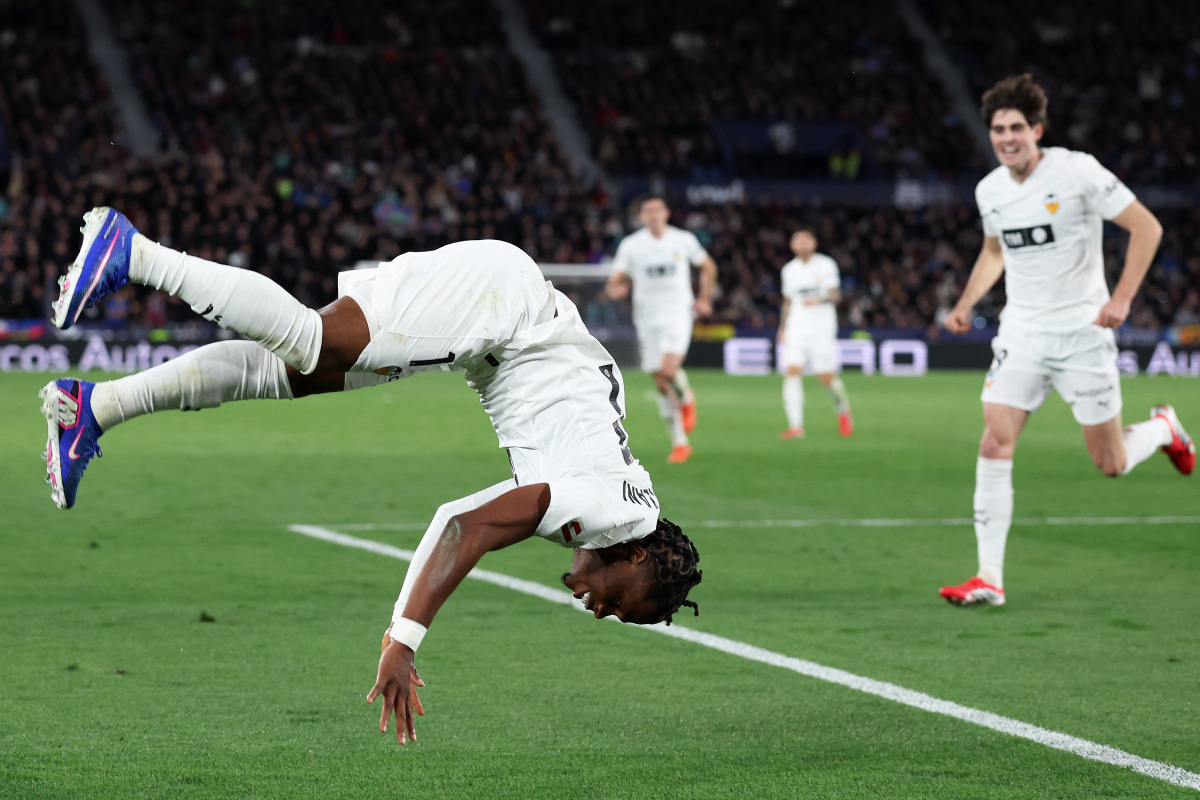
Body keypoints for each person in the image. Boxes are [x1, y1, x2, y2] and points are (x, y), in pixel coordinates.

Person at [41, 207, 703, 742]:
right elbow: (462, 525)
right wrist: (403, 640)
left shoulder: (625, 505)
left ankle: (93, 408)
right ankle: (133, 251)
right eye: (622, 603)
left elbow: (483, 511)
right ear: (637, 557)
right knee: (312, 341)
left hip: (495, 327)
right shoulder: (607, 513)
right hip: (502, 309)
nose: (602, 610)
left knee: (288, 373)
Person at [939, 74, 1194, 607]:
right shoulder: (990, 190)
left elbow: (1146, 228)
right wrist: (965, 303)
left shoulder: (1077, 171)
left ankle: (1163, 428)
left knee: (1111, 463)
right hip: (1022, 333)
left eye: (1016, 128)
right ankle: (989, 578)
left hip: (1083, 334)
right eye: (998, 130)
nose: (1007, 138)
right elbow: (994, 251)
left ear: (1037, 130)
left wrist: (1122, 298)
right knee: (994, 442)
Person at [605, 194, 718, 464]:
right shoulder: (632, 245)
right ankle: (680, 443)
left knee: (668, 370)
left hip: (678, 314)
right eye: (648, 211)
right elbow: (614, 280)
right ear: (641, 217)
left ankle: (686, 397)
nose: (653, 215)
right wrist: (615, 289)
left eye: (658, 210)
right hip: (646, 318)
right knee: (660, 381)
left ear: (666, 213)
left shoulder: (683, 240)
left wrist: (704, 299)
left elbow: (709, 267)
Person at [776, 228, 853, 439]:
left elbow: (836, 296)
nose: (801, 243)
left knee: (826, 377)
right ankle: (795, 426)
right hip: (796, 327)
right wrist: (783, 328)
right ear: (792, 245)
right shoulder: (788, 270)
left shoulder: (826, 265)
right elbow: (787, 301)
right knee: (792, 372)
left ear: (814, 243)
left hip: (821, 327)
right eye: (797, 240)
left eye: (806, 239)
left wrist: (820, 300)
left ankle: (843, 410)